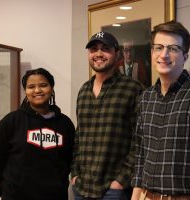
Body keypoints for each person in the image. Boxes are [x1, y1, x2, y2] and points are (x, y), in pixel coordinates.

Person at [131, 21, 190, 200]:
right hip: (146, 195)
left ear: (185, 56)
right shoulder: (146, 97)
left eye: (173, 48)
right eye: (158, 47)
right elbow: (141, 151)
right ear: (152, 52)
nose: (164, 54)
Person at [71, 31, 144, 199]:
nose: (98, 54)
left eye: (105, 49)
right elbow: (79, 135)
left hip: (114, 190)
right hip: (81, 187)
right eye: (93, 49)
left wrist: (120, 181)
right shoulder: (83, 90)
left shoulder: (133, 89)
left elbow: (140, 140)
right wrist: (74, 174)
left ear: (117, 53)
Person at [0, 68, 75, 200]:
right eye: (31, 87)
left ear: (52, 88)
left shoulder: (65, 124)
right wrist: (12, 186)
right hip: (16, 196)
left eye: (43, 85)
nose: (37, 90)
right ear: (25, 91)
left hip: (55, 196)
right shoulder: (11, 121)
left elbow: (70, 159)